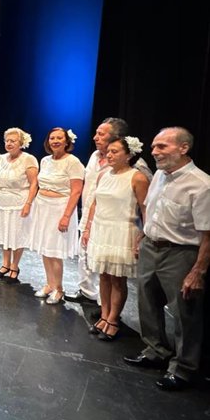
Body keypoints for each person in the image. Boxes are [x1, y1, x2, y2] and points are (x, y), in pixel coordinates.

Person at [123, 127, 210, 391]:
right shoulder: (160, 175)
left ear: (183, 148)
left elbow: (207, 233)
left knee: (185, 313)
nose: (154, 151)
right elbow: (150, 209)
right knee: (147, 302)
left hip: (181, 253)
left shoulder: (202, 184)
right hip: (151, 247)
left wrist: (198, 271)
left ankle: (183, 369)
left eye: (162, 146)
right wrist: (142, 234)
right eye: (153, 146)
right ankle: (155, 351)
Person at [67, 117, 152, 305]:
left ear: (116, 138)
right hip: (92, 216)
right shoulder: (94, 157)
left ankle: (106, 307)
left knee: (110, 269)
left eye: (101, 134)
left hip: (118, 224)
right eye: (96, 133)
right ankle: (88, 293)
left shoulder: (135, 166)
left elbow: (147, 198)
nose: (95, 137)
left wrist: (143, 230)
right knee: (87, 256)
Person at [82, 137, 149, 341]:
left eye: (115, 151)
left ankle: (113, 319)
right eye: (108, 151)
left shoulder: (137, 177)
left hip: (121, 230)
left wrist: (143, 234)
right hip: (101, 229)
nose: (109, 155)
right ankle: (103, 315)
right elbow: (94, 203)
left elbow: (145, 208)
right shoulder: (103, 174)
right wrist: (88, 227)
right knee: (103, 275)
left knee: (117, 279)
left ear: (128, 154)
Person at [28, 127, 84, 304]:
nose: (55, 141)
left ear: (67, 141)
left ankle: (59, 289)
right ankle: (49, 284)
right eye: (52, 138)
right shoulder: (45, 161)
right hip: (43, 206)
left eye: (59, 138)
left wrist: (66, 216)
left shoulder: (73, 162)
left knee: (55, 250)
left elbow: (76, 192)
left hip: (60, 207)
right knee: (45, 248)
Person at [0, 127, 38, 283]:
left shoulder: (28, 159)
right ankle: (5, 264)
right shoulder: (1, 158)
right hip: (3, 202)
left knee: (17, 235)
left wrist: (28, 203)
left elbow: (34, 183)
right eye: (7, 141)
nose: (9, 144)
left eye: (13, 141)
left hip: (19, 203)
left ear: (21, 142)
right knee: (5, 234)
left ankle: (14, 266)